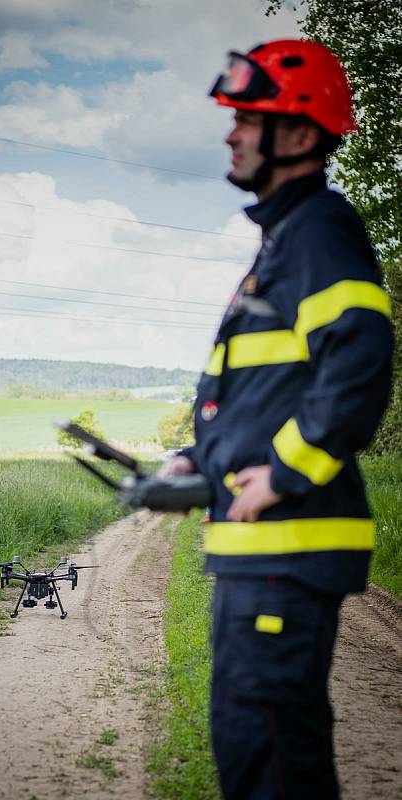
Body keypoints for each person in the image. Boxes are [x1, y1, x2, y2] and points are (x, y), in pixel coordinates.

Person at [160, 39, 393, 799]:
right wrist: (199, 460)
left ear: (295, 135)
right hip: (259, 553)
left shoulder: (318, 230)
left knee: (270, 756)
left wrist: (288, 472)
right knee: (251, 744)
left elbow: (357, 359)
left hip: (285, 551)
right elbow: (267, 394)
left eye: (246, 119)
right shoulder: (285, 241)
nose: (230, 134)